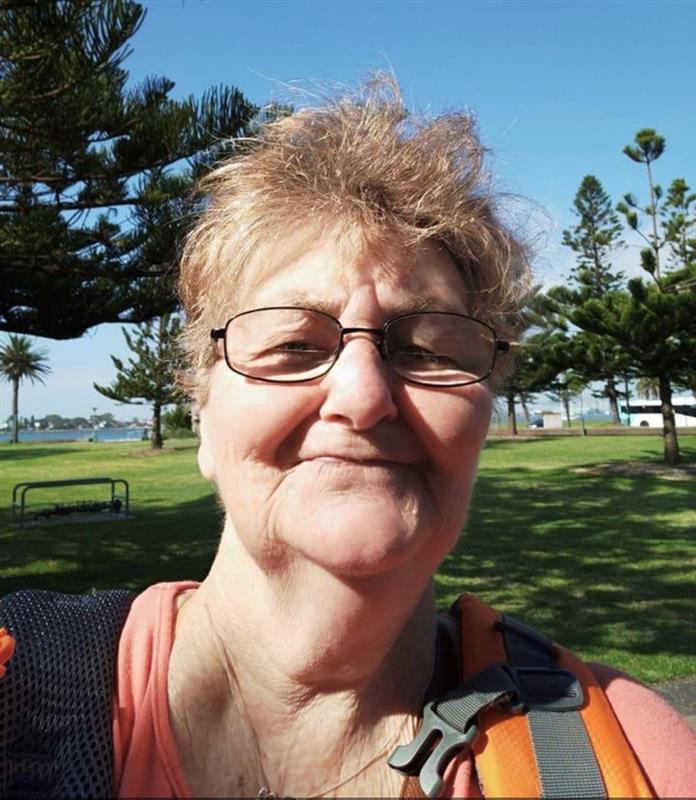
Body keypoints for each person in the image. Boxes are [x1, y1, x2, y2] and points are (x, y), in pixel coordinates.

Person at [4, 78, 696, 798]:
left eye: (427, 349)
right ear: (203, 419)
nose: (365, 397)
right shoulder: (16, 691)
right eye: (295, 346)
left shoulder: (622, 759)